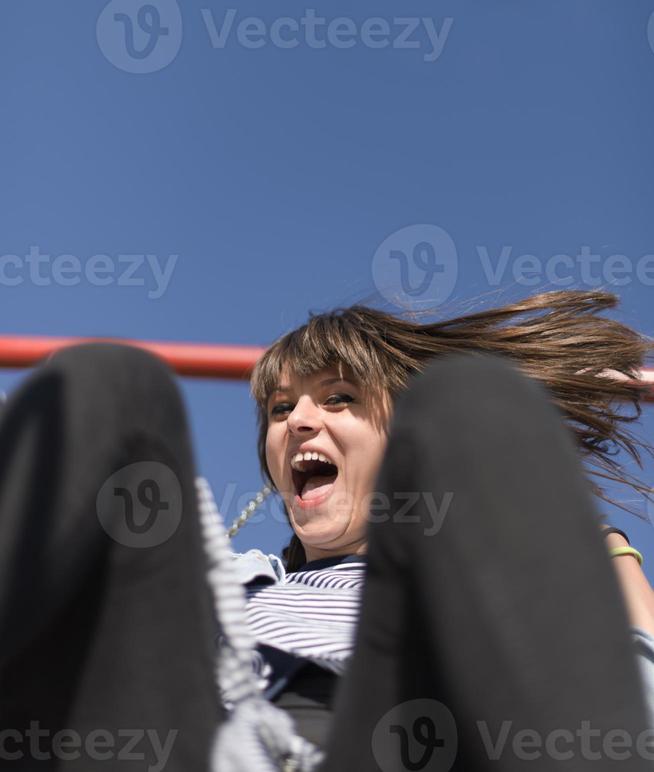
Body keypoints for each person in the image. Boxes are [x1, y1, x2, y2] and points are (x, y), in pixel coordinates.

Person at [0, 289, 652, 772]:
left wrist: (605, 550)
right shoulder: (233, 582)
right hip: (179, 741)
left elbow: (637, 678)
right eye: (280, 408)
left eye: (339, 398)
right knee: (114, 379)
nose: (298, 421)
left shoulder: (467, 599)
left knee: (476, 398)